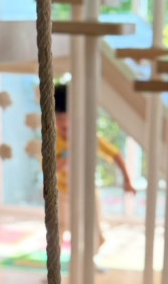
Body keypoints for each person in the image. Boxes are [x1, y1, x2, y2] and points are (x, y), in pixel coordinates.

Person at [54, 82, 136, 250]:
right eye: (60, 119)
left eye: (68, 118)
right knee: (59, 227)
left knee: (94, 229)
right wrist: (67, 157)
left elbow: (115, 154)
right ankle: (57, 259)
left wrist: (127, 180)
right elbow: (49, 168)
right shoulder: (53, 141)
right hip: (62, 192)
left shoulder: (87, 137)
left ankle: (91, 255)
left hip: (86, 191)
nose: (65, 124)